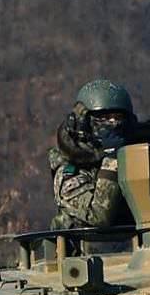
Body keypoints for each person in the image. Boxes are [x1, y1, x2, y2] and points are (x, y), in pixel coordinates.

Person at [47, 79, 137, 229]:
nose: (114, 123)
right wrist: (112, 160)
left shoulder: (136, 156)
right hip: (90, 243)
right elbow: (99, 216)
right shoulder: (69, 173)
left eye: (118, 117)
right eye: (104, 118)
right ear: (84, 123)